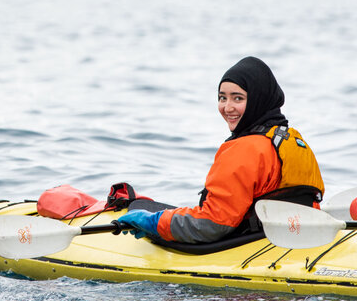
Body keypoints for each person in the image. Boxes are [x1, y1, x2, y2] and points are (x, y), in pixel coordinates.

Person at [115, 56, 324, 244]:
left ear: (258, 99)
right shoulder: (292, 140)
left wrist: (153, 223)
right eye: (222, 97)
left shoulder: (245, 149)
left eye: (238, 98)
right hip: (294, 238)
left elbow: (212, 225)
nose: (227, 107)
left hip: (245, 244)